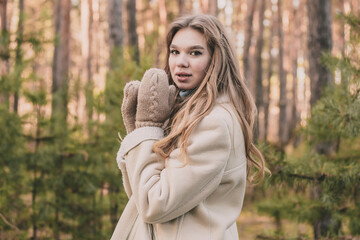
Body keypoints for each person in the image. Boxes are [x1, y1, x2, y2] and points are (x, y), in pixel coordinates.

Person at [111, 14, 266, 240]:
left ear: (217, 59)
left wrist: (147, 129)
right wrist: (141, 132)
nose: (181, 62)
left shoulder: (213, 123)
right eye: (175, 52)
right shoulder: (184, 112)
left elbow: (153, 204)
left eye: (195, 52)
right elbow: (139, 194)